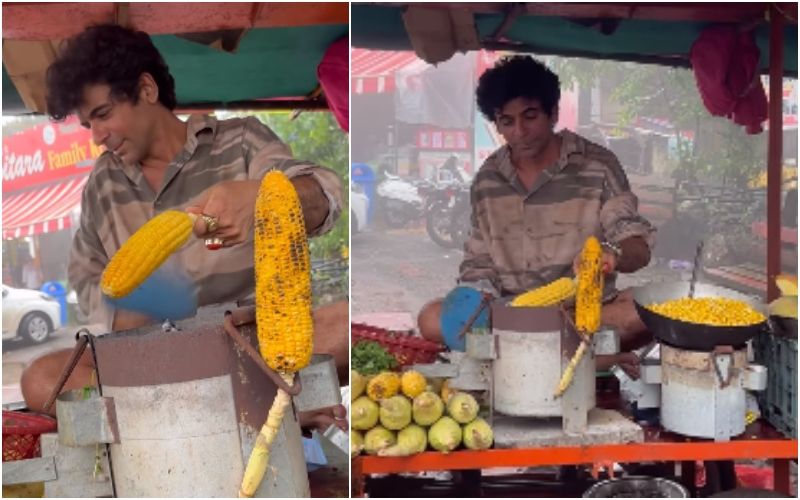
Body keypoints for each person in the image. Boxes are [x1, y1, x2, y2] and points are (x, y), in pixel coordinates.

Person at [20, 25, 347, 433]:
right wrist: (128, 309)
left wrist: (266, 195)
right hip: (153, 365)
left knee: (347, 323)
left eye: (103, 115)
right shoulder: (103, 184)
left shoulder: (240, 140)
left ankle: (197, 418)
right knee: (41, 377)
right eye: (88, 124)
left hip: (254, 348)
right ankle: (256, 411)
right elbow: (86, 281)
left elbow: (327, 196)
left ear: (146, 89)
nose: (97, 137)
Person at [417, 56, 656, 377]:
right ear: (497, 123)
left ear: (553, 113)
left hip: (585, 310)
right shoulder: (488, 180)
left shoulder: (597, 165)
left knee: (646, 313)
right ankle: (578, 356)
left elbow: (636, 244)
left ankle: (535, 353)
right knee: (431, 318)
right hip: (511, 314)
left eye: (530, 116)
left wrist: (612, 254)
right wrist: (476, 300)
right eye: (506, 121)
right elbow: (479, 263)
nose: (520, 132)